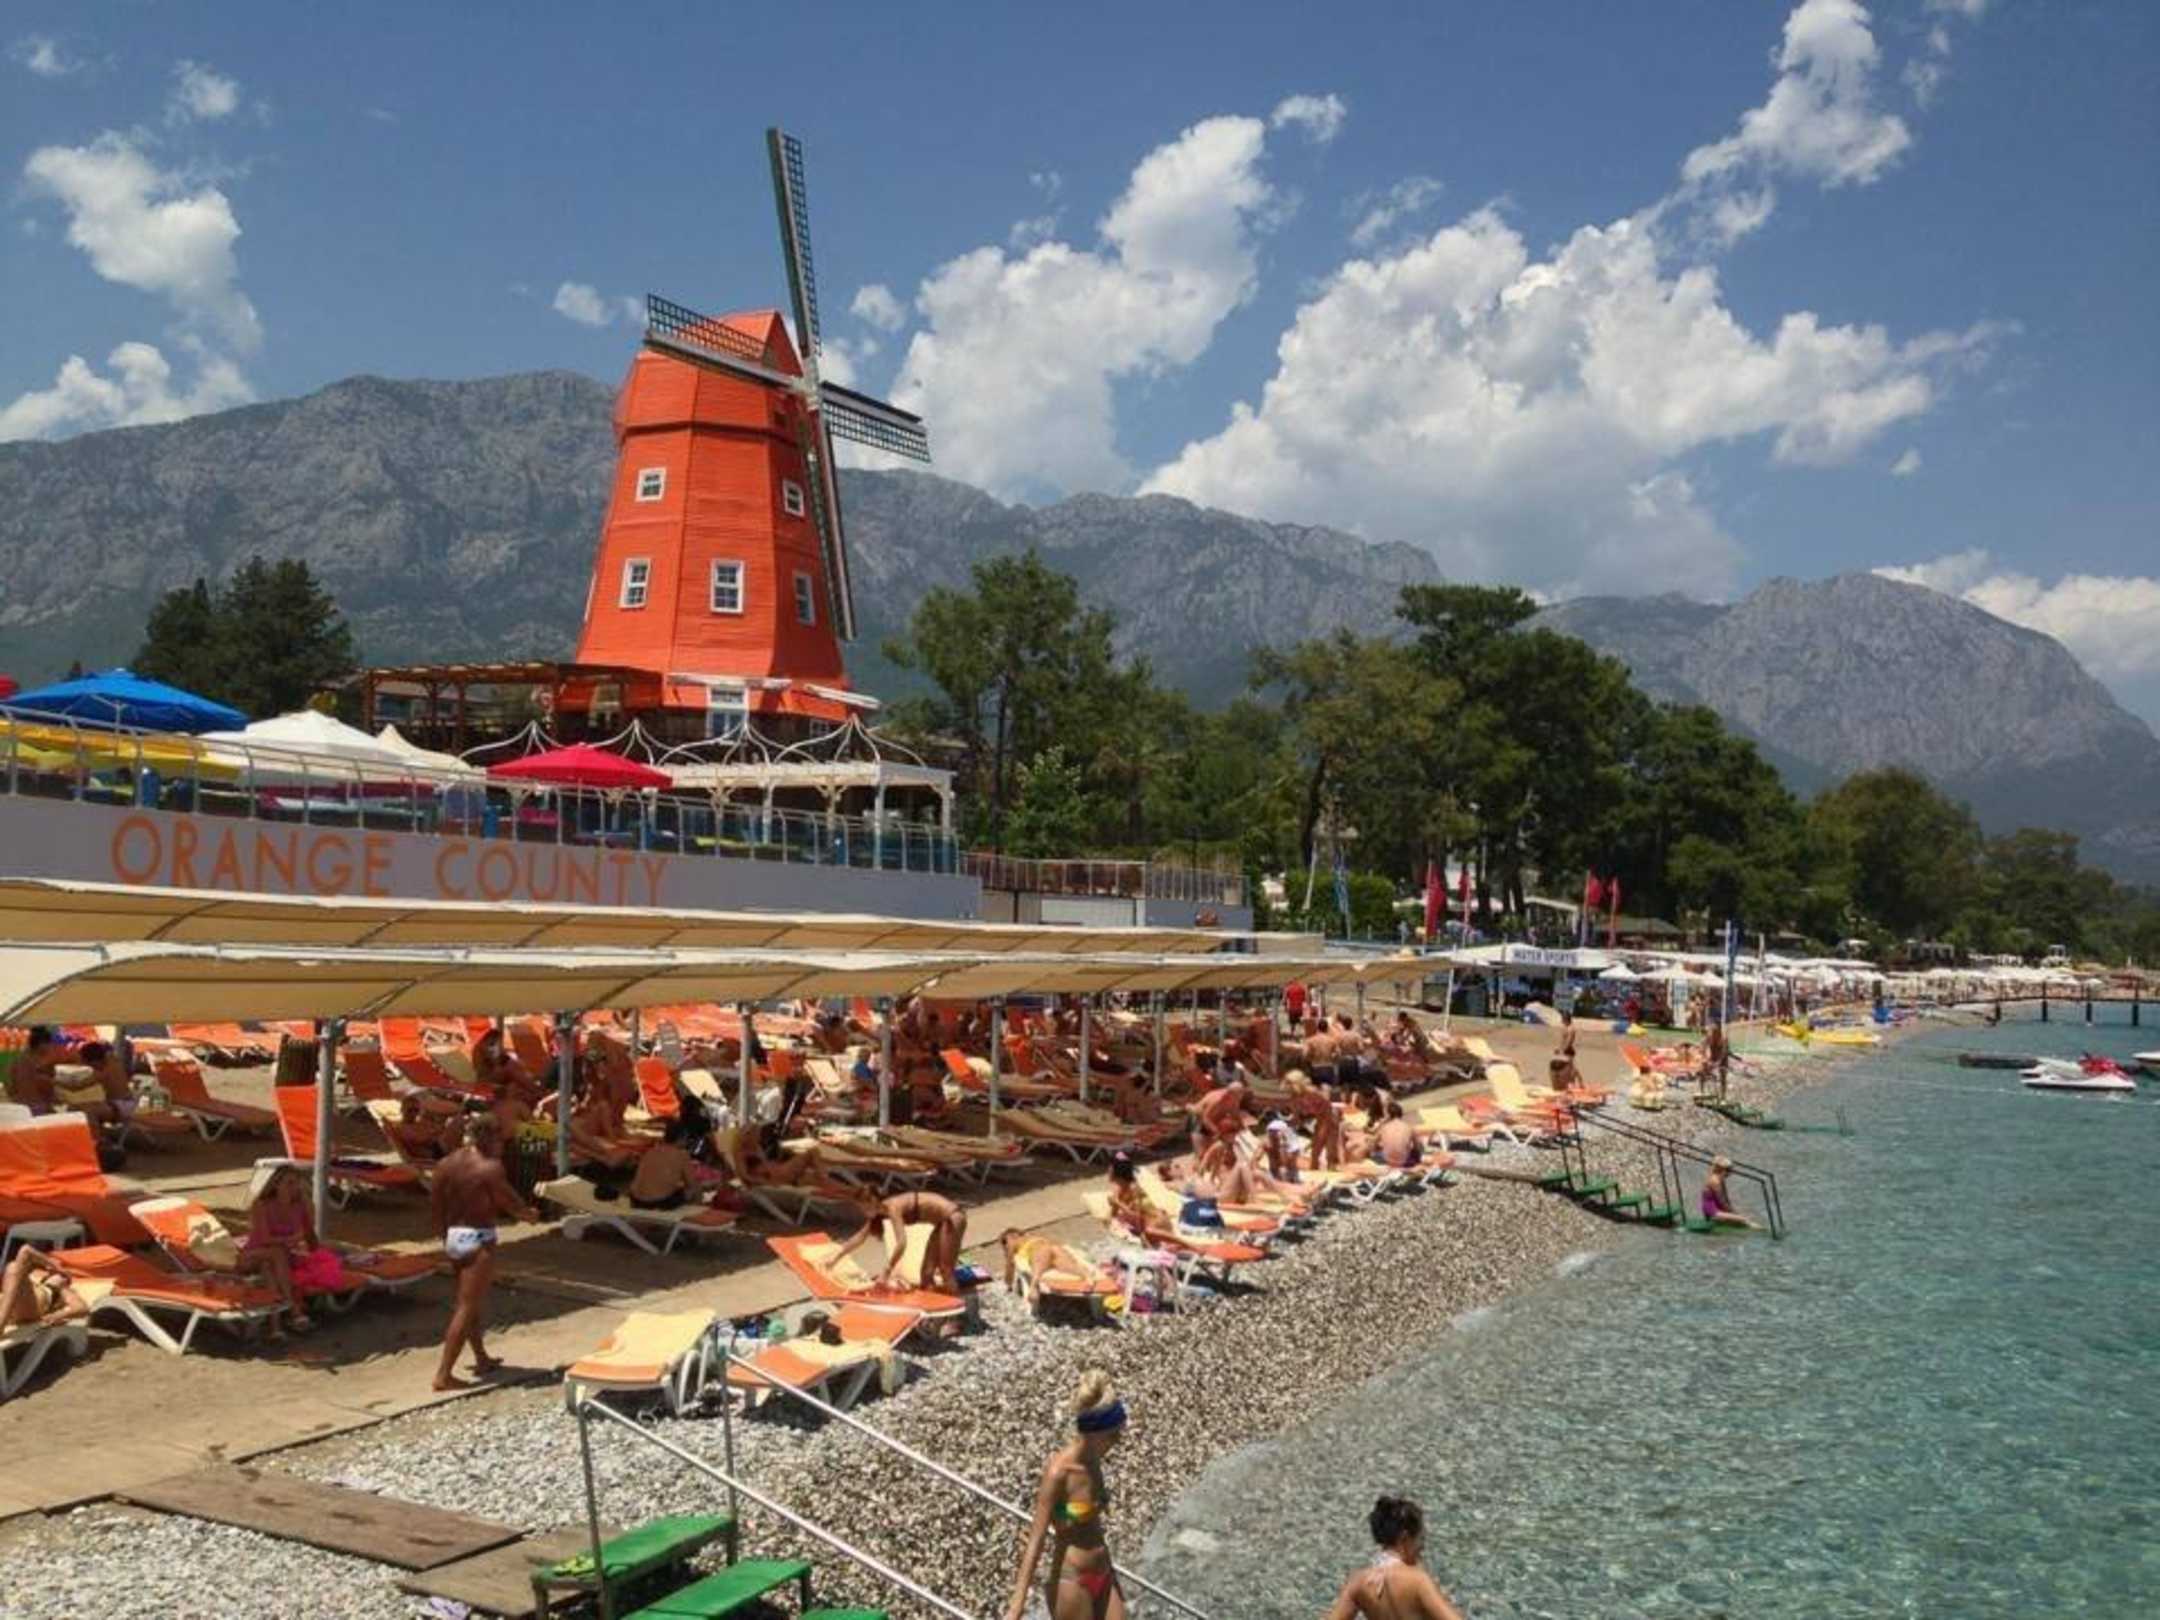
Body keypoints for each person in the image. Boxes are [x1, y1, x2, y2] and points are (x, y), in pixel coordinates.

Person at [1007, 1369, 1128, 1620]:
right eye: (1113, 1435)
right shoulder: (1058, 1473)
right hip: (1072, 1579)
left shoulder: (1094, 1460)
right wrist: (1016, 1608)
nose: (1118, 1440)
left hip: (1104, 1571)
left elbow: (1091, 1523)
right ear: (1093, 1433)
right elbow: (1036, 1540)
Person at [429, 1114, 539, 1391]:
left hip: (453, 1236)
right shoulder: (490, 1167)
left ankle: (481, 1358)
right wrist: (530, 1214)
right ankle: (443, 1374)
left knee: (470, 1303)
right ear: (490, 1138)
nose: (503, 1144)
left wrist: (444, 1238)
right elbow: (510, 1203)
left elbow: (436, 1205)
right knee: (466, 1307)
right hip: (478, 1238)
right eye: (500, 1139)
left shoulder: (446, 1163)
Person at [1322, 1495, 1467, 1620]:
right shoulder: (1418, 1581)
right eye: (1420, 1539)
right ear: (1404, 1538)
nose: (1422, 1547)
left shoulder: (1358, 1583)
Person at [835, 1188, 968, 1294]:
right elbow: (860, 1237)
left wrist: (886, 1271)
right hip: (941, 1222)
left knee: (945, 1271)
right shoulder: (879, 1213)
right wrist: (836, 1257)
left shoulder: (892, 1207)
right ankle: (936, 1312)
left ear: (873, 1201)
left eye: (864, 1207)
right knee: (926, 1274)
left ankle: (960, 1311)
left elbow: (902, 1243)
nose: (863, 1212)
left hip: (952, 1218)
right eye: (860, 1208)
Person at [240, 1167, 322, 1336]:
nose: (294, 1187)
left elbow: (310, 1233)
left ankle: (275, 1327)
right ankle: (294, 1310)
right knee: (276, 1253)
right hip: (253, 1255)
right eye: (289, 1183)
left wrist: (319, 1256)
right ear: (276, 1184)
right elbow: (265, 1239)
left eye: (296, 1184)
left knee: (269, 1268)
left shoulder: (298, 1206)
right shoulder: (261, 1205)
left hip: (278, 1259)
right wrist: (292, 1239)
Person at [0, 1245, 89, 1333]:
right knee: (14, 1269)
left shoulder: (60, 1284)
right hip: (13, 1305)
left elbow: (82, 1308)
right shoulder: (38, 1280)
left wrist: (58, 1315)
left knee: (13, 1267)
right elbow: (26, 1250)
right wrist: (55, 1266)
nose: (49, 1268)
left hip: (31, 1308)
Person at [626, 1118, 700, 1208]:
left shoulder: (651, 1151)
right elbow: (692, 1183)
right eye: (686, 1138)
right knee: (693, 1189)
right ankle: (697, 1209)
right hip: (660, 1201)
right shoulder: (682, 1155)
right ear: (681, 1138)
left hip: (636, 1200)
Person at [1700, 1155, 1761, 1230]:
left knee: (1742, 1218)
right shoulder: (1715, 1182)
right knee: (1744, 1220)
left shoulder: (1720, 1180)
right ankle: (1761, 1231)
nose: (1730, 1173)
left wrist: (1734, 1212)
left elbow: (1726, 1200)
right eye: (1729, 1170)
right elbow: (1723, 1203)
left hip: (1717, 1208)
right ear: (1722, 1169)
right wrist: (1736, 1215)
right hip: (1712, 1211)